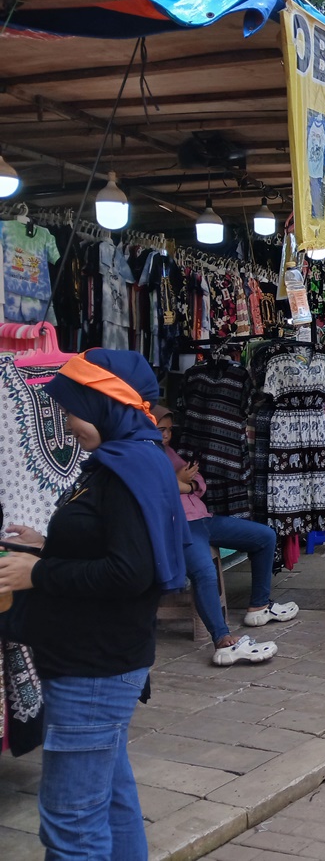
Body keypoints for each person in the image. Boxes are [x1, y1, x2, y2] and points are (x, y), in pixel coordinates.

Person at [0, 350, 186, 860]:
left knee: (70, 823)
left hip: (95, 670)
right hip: (102, 661)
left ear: (105, 404)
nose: (65, 420)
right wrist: (47, 543)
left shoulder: (128, 468)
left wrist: (38, 571)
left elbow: (130, 572)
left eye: (72, 407)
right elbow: (114, 546)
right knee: (110, 802)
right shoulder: (129, 458)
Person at [155, 407, 293, 665]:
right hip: (179, 526)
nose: (167, 435)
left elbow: (199, 483)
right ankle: (222, 640)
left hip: (203, 520)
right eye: (161, 429)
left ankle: (259, 606)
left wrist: (184, 483)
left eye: (170, 429)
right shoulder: (143, 455)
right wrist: (182, 483)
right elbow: (156, 489)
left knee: (265, 536)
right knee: (204, 572)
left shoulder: (169, 452)